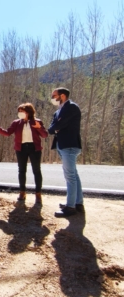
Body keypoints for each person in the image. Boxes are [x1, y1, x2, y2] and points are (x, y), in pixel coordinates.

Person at [0, 103, 48, 206]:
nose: (20, 113)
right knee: (22, 170)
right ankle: (22, 192)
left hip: (34, 148)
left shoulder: (37, 122)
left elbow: (44, 135)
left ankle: (38, 194)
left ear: (28, 112)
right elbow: (7, 133)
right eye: (19, 111)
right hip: (21, 148)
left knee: (36, 170)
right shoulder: (16, 123)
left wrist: (39, 128)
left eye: (22, 111)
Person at [48, 87, 84, 218]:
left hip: (69, 145)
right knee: (74, 175)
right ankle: (78, 203)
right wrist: (55, 128)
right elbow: (52, 127)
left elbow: (58, 125)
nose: (52, 98)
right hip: (62, 145)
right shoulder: (59, 111)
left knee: (70, 176)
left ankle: (70, 207)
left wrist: (55, 128)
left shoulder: (72, 107)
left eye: (54, 95)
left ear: (62, 96)